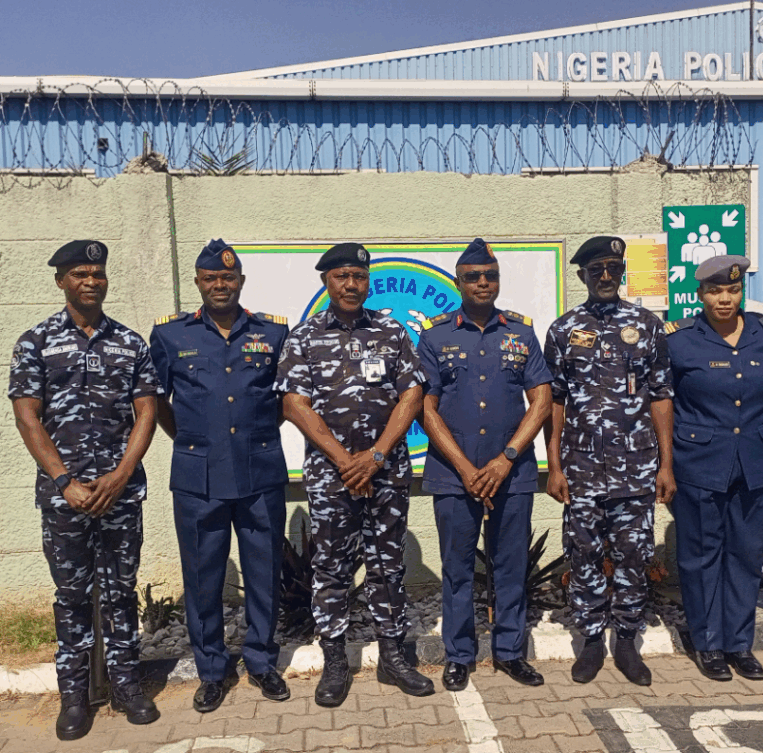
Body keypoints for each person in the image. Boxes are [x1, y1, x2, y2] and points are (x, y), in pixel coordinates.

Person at [8, 240, 161, 740]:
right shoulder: (35, 342)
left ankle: (126, 686)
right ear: (60, 281)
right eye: (79, 273)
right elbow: (27, 416)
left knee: (120, 591)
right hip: (64, 497)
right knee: (73, 596)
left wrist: (121, 475)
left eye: (97, 272)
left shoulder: (131, 344)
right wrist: (64, 482)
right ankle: (74, 696)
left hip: (121, 494)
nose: (90, 280)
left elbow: (147, 412)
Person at [275, 242, 433, 707]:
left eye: (358, 277)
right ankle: (336, 661)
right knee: (331, 567)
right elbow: (293, 405)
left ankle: (392, 656)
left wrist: (377, 455)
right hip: (331, 476)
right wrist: (346, 461)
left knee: (388, 563)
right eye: (342, 276)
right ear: (326, 281)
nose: (350, 285)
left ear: (367, 282)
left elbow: (412, 394)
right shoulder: (303, 338)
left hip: (386, 473)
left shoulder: (389, 330)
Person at [148, 239, 291, 713]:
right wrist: (190, 439)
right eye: (210, 278)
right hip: (198, 479)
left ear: (241, 282)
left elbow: (285, 403)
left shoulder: (272, 333)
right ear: (198, 283)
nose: (220, 285)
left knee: (263, 573)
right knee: (203, 577)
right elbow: (156, 403)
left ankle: (262, 662)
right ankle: (211, 670)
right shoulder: (171, 336)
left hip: (259, 473)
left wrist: (258, 437)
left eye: (228, 278)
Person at [418, 238, 553, 691]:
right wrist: (465, 467)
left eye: (489, 276)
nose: (482, 283)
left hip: (511, 475)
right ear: (458, 282)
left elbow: (541, 401)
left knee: (510, 565)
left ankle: (511, 652)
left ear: (498, 281)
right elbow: (426, 408)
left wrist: (506, 458)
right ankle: (460, 655)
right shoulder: (435, 336)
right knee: (457, 568)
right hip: (452, 477)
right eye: (473, 276)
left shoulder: (522, 333)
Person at [544, 235, 676, 686]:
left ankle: (626, 640)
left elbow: (661, 395)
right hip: (580, 469)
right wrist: (555, 465)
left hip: (635, 468)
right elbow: (554, 401)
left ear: (622, 274)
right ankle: (592, 641)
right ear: (581, 275)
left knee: (634, 555)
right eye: (596, 270)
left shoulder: (647, 325)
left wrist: (665, 464)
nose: (605, 277)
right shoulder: (562, 330)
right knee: (582, 555)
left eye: (613, 270)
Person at [666, 255, 763, 681]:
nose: (724, 299)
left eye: (732, 290)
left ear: (741, 291)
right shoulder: (678, 340)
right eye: (715, 291)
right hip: (698, 462)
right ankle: (708, 643)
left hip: (754, 462)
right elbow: (664, 403)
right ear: (700, 294)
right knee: (701, 556)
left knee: (744, 553)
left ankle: (740, 643)